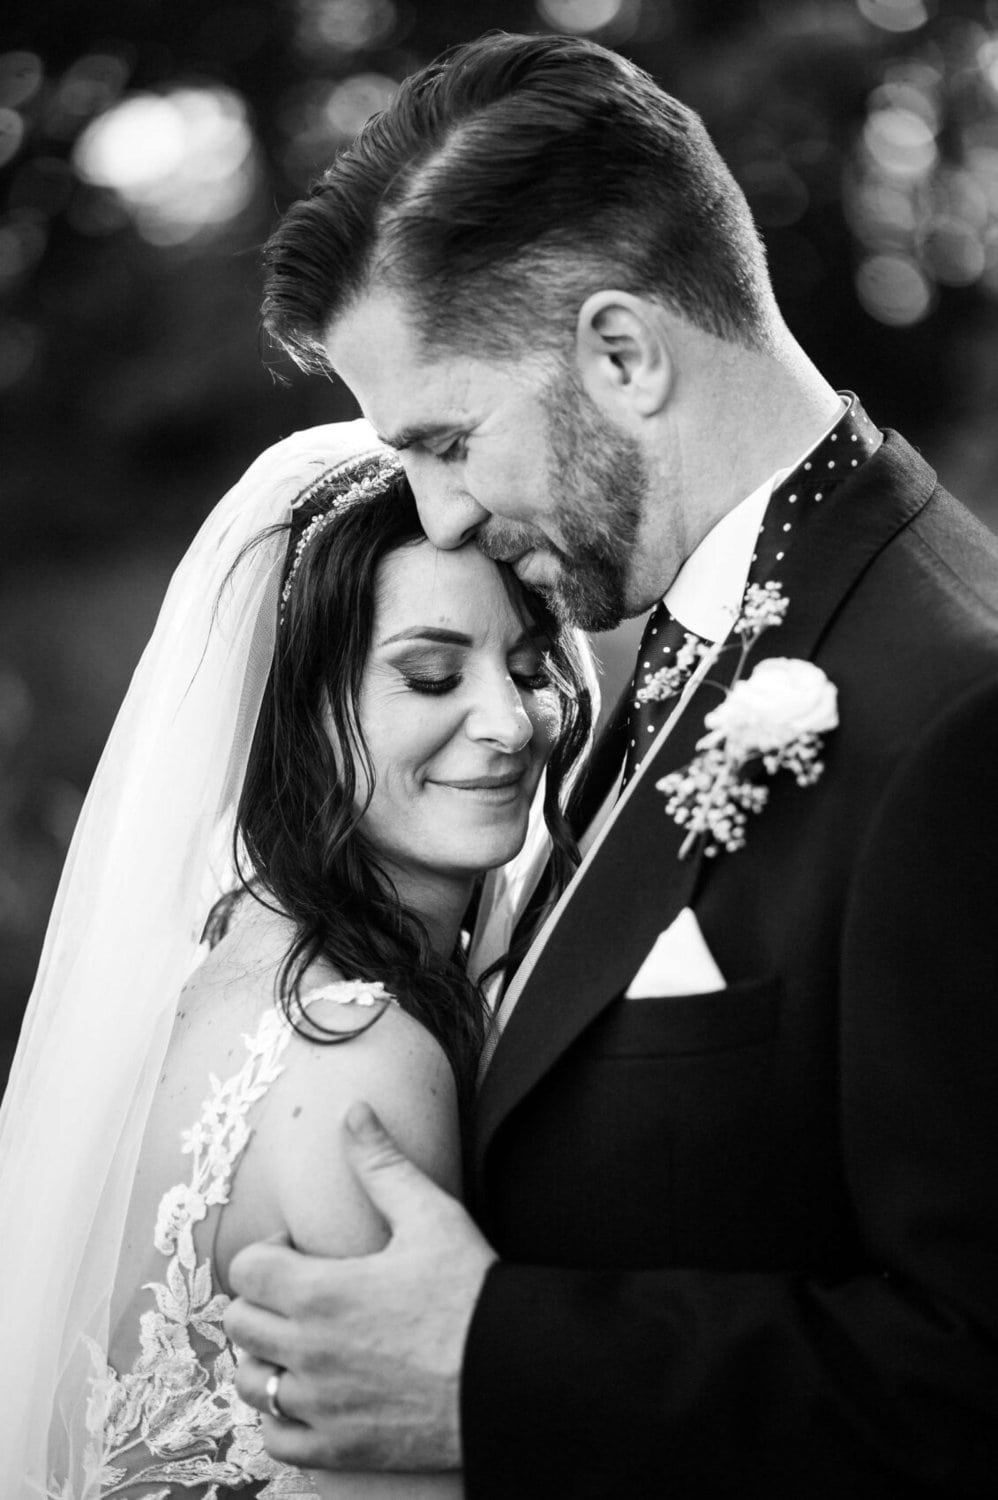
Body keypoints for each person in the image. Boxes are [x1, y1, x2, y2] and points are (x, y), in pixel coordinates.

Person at [222, 30, 998, 1500]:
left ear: (622, 353)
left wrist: (493, 1370)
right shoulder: (687, 633)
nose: (437, 520)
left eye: (447, 440)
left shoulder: (955, 717)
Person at [0, 420, 594, 1496]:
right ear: (300, 713)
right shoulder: (357, 1055)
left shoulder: (220, 956)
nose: (508, 723)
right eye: (428, 677)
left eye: (524, 665)